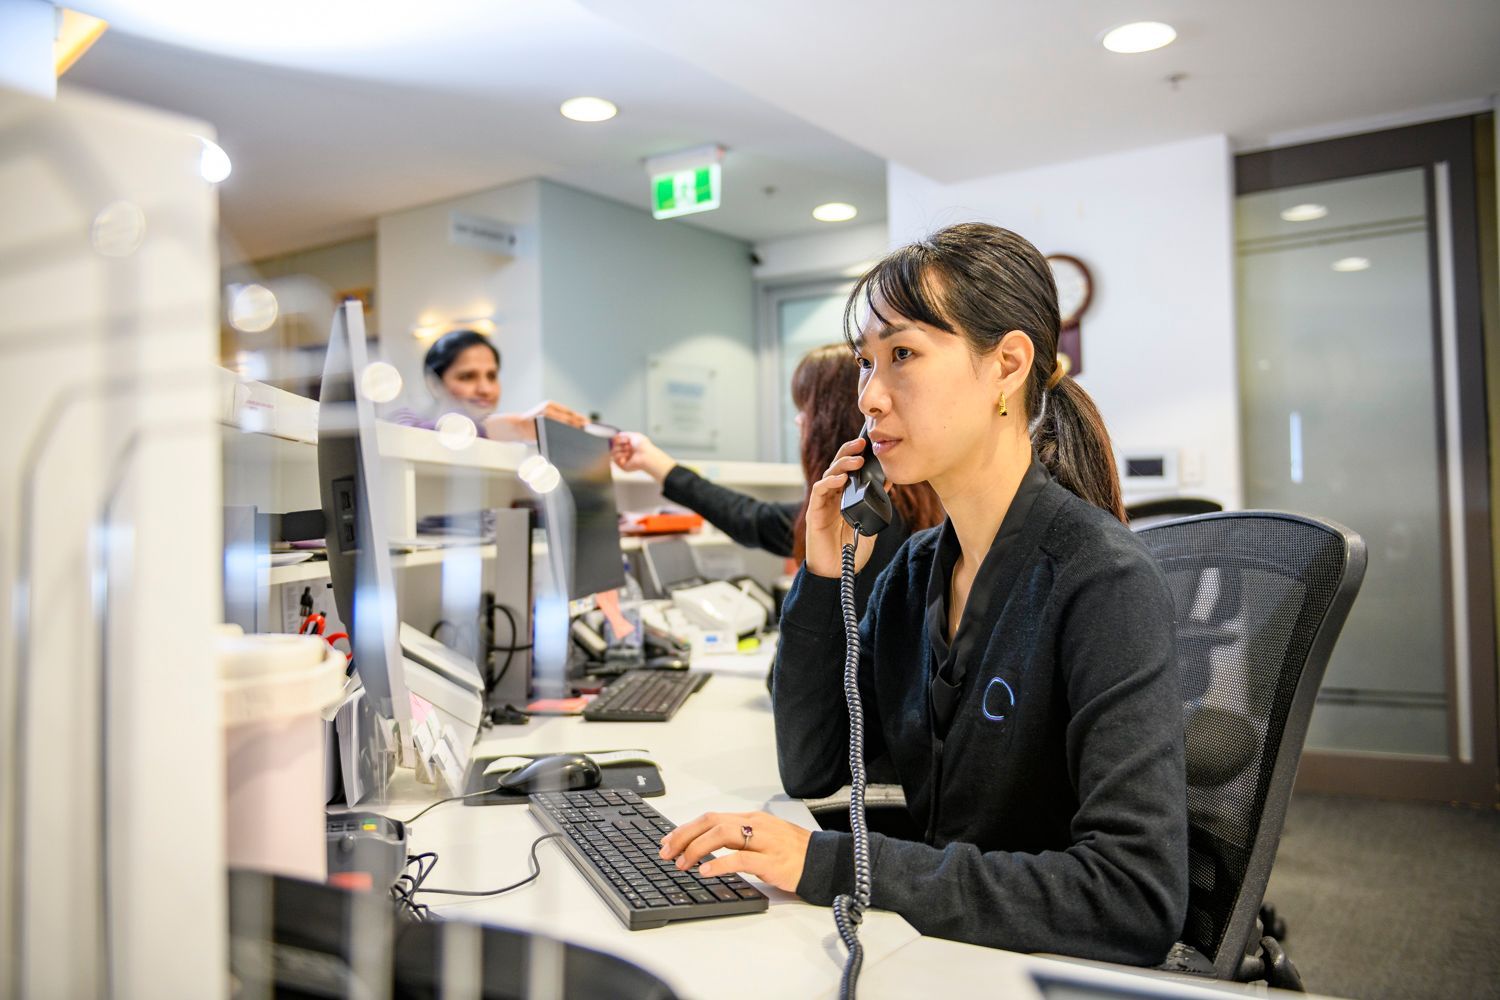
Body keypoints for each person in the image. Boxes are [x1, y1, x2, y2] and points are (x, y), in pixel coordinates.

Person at [656, 224, 1188, 965]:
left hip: (1032, 969)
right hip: (945, 947)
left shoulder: (1102, 582)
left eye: (901, 355)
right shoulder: (914, 573)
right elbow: (814, 769)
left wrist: (832, 866)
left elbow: (1132, 899)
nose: (868, 397)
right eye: (866, 363)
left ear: (1006, 365)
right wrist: (820, 577)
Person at [609, 343, 943, 615]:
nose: (799, 421)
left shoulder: (863, 519)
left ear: (835, 415)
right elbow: (752, 518)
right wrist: (652, 462)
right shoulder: (904, 504)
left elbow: (752, 519)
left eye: (805, 408)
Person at [390, 328, 585, 441]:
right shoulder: (405, 419)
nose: (485, 389)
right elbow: (409, 438)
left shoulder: (508, 443)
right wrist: (517, 426)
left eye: (492, 376)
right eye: (467, 377)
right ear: (434, 384)